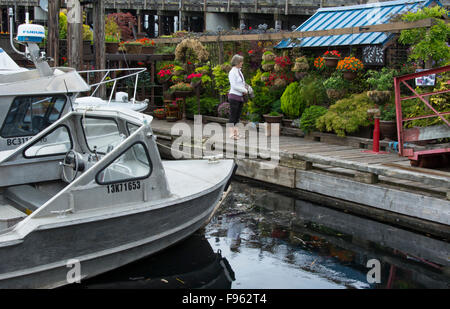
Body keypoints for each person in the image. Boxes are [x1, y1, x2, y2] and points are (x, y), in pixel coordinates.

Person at [228, 54, 248, 140]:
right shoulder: (232, 72)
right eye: (241, 61)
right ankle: (232, 134)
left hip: (240, 97)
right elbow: (234, 85)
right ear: (237, 62)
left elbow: (241, 83)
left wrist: (246, 88)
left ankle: (236, 134)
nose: (242, 63)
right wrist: (244, 90)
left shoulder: (239, 71)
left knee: (237, 117)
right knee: (233, 116)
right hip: (234, 97)